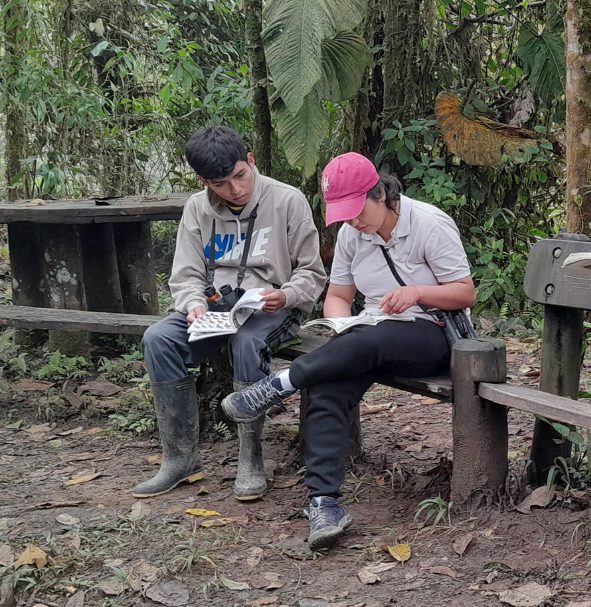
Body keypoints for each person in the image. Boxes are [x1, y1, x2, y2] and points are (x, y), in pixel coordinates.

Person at [220, 152, 476, 550]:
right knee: (327, 382)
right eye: (344, 215)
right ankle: (324, 503)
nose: (354, 222)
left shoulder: (428, 223)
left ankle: (276, 385)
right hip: (370, 334)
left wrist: (417, 293)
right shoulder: (351, 235)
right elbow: (338, 296)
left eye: (358, 211)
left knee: (367, 341)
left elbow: (465, 292)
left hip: (434, 331)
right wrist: (338, 323)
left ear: (381, 194)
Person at [134, 126, 327, 501]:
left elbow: (312, 272)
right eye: (222, 184)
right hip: (218, 306)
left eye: (240, 175)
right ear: (205, 181)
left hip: (274, 307)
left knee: (247, 341)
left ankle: (250, 457)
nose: (235, 190)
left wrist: (285, 295)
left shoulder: (287, 200)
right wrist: (194, 304)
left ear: (251, 160)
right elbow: (186, 275)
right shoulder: (197, 208)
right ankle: (180, 458)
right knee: (158, 340)